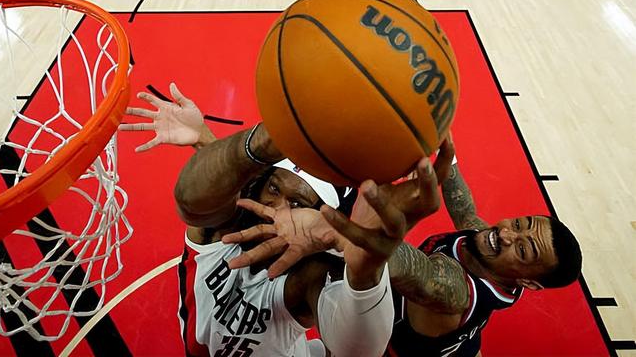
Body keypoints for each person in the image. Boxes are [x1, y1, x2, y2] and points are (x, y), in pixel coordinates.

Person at [121, 83, 455, 357]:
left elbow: (360, 352)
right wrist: (211, 142)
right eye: (273, 189)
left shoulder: (307, 276)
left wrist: (366, 269)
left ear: (322, 216)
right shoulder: (222, 227)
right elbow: (192, 198)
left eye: (297, 204)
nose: (277, 208)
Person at [230, 149, 583, 357]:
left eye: (522, 248)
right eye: (519, 223)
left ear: (528, 282)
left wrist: (335, 230)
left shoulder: (454, 292)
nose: (505, 233)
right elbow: (466, 211)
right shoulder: (492, 247)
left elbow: (391, 258)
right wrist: (441, 143)